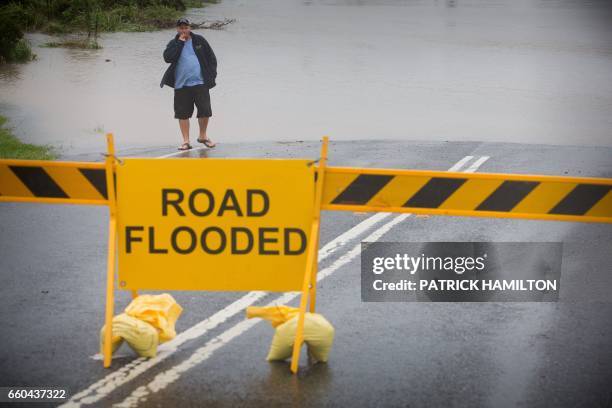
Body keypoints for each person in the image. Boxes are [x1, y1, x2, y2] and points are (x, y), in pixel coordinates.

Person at [160, 17, 217, 151]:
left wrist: (211, 75)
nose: (184, 30)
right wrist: (180, 43)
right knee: (182, 114)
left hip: (201, 82)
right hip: (181, 85)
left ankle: (203, 136)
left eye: (186, 27)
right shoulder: (173, 43)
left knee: (205, 111)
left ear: (190, 28)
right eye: (181, 28)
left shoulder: (200, 40)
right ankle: (186, 141)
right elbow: (167, 58)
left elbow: (211, 58)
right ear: (177, 29)